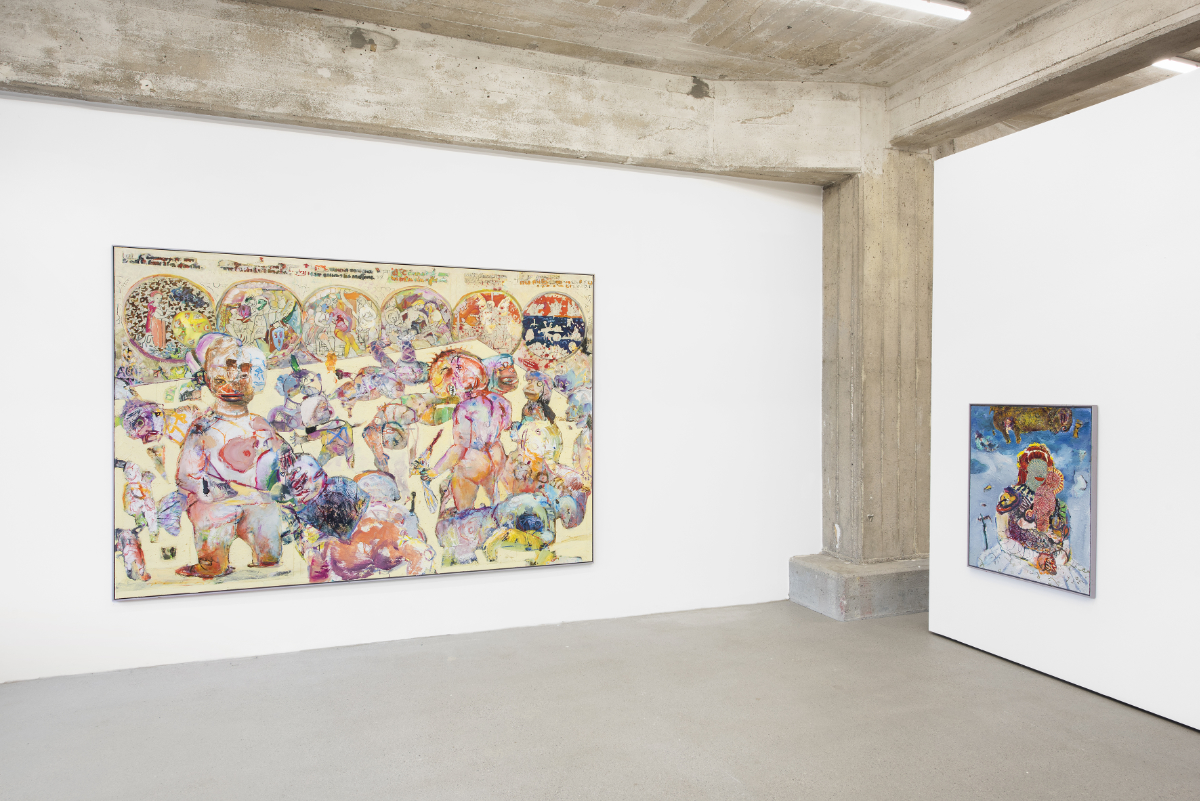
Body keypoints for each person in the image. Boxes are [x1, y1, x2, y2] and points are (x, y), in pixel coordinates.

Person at [174, 334, 289, 578]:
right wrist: (212, 490)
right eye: (221, 379)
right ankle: (212, 562)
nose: (232, 386)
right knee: (213, 538)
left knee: (270, 555)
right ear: (208, 380)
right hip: (217, 504)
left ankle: (261, 557)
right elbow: (187, 474)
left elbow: (280, 458)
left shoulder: (258, 423)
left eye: (242, 377)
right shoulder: (203, 427)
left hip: (259, 504)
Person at [994, 443, 1071, 575]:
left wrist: (1057, 556)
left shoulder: (1057, 504)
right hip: (1018, 563)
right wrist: (1034, 557)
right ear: (1025, 469)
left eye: (1043, 468)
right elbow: (1004, 539)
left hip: (1052, 565)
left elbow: (1065, 543)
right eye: (1035, 467)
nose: (1040, 473)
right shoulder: (1011, 497)